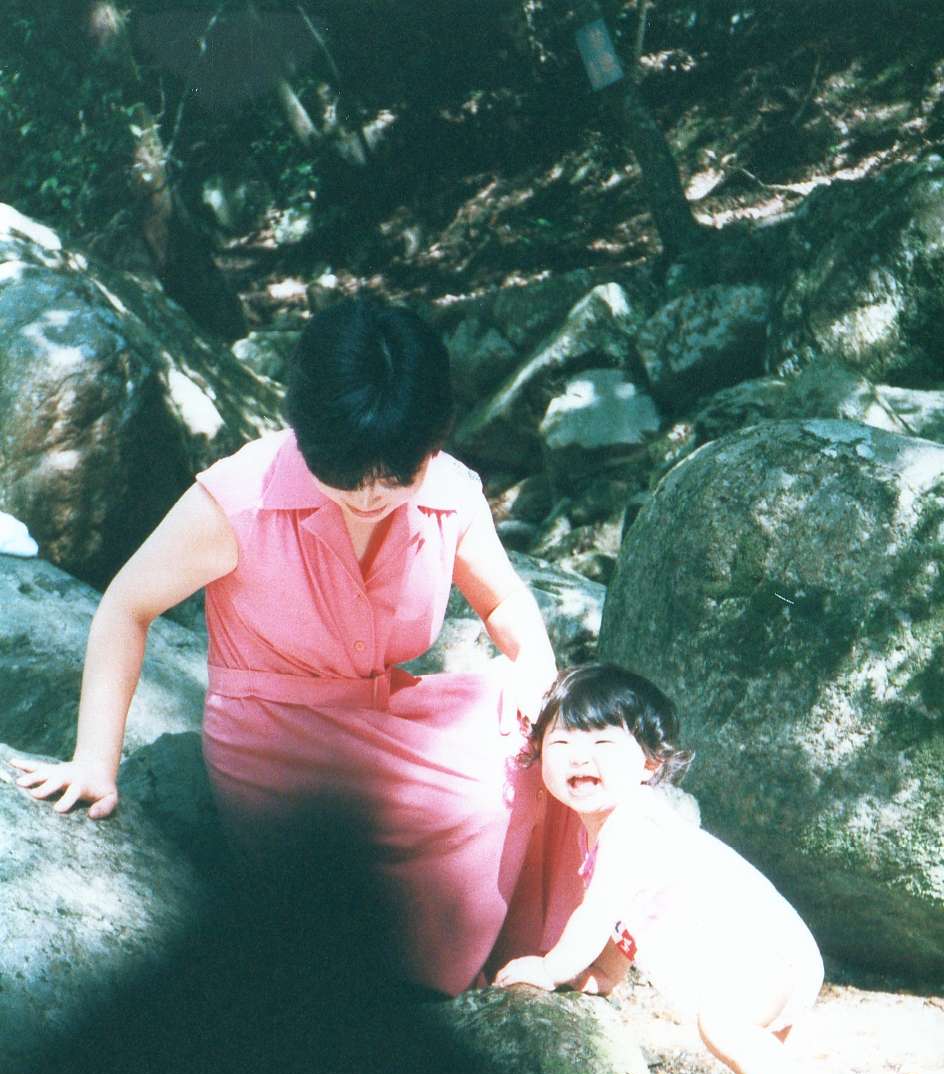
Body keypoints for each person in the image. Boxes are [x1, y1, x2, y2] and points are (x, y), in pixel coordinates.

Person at [11, 298, 583, 996]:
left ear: (432, 446)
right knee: (381, 870)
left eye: (395, 476)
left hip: (390, 714)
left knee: (541, 751)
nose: (370, 496)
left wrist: (534, 670)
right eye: (345, 473)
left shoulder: (449, 494)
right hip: (278, 738)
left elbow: (503, 602)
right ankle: (429, 969)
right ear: (306, 434)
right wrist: (94, 762)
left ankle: (532, 951)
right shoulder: (239, 500)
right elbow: (127, 607)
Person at [494, 663, 827, 1074]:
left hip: (768, 952)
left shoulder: (633, 826)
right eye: (563, 742)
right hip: (782, 947)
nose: (580, 757)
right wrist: (601, 976)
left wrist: (550, 969)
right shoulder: (606, 831)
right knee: (761, 1041)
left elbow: (598, 912)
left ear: (649, 765)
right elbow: (627, 921)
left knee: (726, 1024)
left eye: (603, 744)